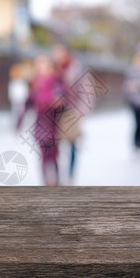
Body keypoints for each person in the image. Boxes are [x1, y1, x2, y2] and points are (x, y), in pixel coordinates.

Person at [16, 55, 65, 186]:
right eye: (39, 67)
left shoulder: (57, 82)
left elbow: (64, 101)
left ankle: (56, 182)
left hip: (55, 124)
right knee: (43, 156)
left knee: (53, 156)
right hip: (41, 125)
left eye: (44, 66)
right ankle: (45, 184)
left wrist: (59, 103)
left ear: (49, 68)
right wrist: (18, 125)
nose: (41, 69)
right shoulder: (34, 84)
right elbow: (26, 105)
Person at [53, 44, 86, 185]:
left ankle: (71, 174)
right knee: (55, 145)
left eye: (59, 53)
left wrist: (80, 111)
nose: (57, 56)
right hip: (55, 113)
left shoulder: (76, 68)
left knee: (72, 143)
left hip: (72, 111)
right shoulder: (53, 68)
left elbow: (86, 90)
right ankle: (57, 175)